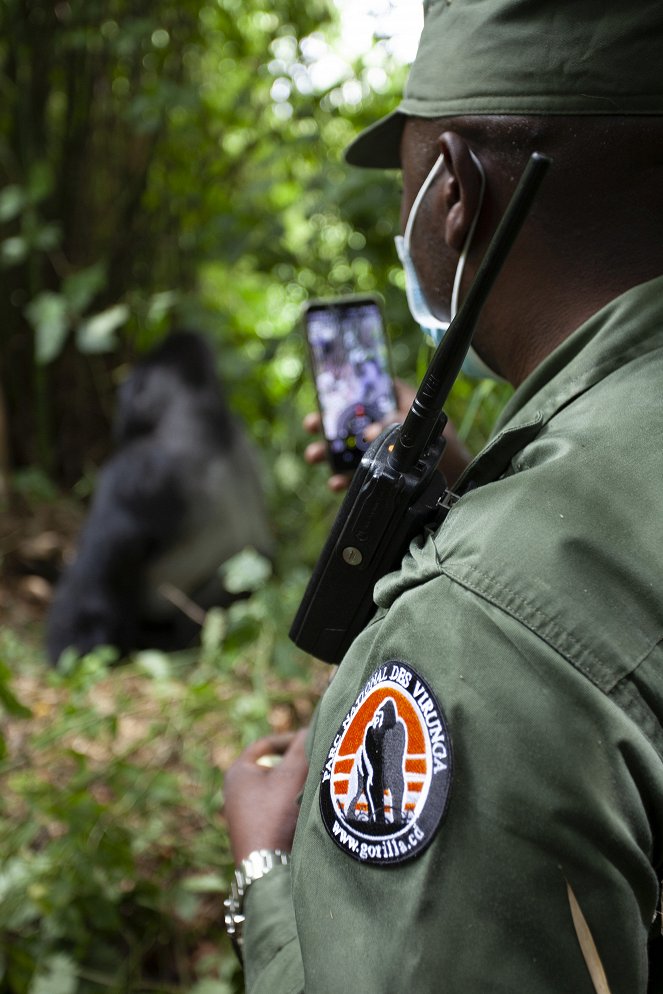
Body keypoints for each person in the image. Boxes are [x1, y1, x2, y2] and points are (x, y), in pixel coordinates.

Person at [224, 0, 663, 990]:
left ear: (455, 195)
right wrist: (495, 500)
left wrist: (264, 869)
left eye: (406, 184)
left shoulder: (476, 632)